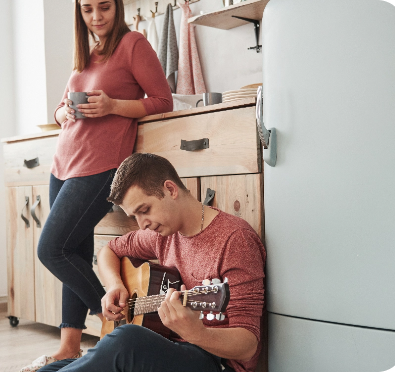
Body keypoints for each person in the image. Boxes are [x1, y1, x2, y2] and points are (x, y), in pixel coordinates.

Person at [19, 0, 173, 371]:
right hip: (64, 165)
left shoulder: (133, 44)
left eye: (103, 7)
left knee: (52, 250)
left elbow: (162, 101)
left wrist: (114, 106)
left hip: (101, 165)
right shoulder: (86, 56)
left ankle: (118, 316)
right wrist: (64, 112)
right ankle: (69, 346)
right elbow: (58, 110)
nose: (96, 16)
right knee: (72, 250)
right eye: (87, 9)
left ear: (116, 8)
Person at [37, 153, 266, 372]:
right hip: (165, 347)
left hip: (216, 362)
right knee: (60, 366)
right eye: (134, 216)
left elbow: (248, 346)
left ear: (170, 189)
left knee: (125, 341)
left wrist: (197, 333)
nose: (142, 224)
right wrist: (116, 285)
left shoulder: (236, 240)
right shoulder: (163, 234)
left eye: (144, 210)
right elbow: (109, 250)